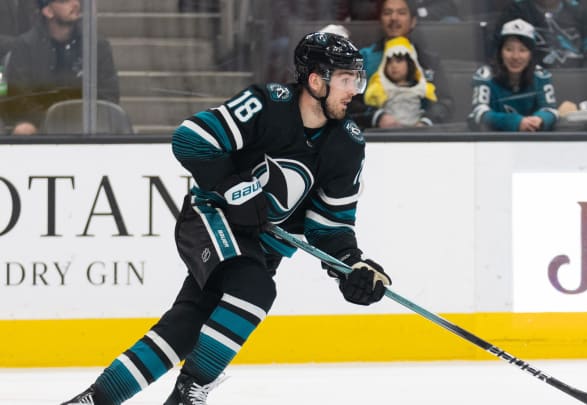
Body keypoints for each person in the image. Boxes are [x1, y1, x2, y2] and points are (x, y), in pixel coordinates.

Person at [61, 31, 391, 405]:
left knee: (186, 326)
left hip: (261, 246)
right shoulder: (266, 105)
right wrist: (235, 189)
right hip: (211, 218)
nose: (355, 90)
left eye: (357, 79)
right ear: (316, 80)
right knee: (255, 290)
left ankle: (93, 400)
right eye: (347, 80)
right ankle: (188, 392)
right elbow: (191, 137)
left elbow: (329, 225)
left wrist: (350, 265)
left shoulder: (347, 144)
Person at [1, 0, 119, 135]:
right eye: (64, 1)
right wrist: (51, 121)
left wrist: (78, 120)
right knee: (23, 130)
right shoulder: (24, 46)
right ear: (48, 11)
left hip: (86, 125)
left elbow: (109, 95)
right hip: (41, 124)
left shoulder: (97, 45)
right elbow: (18, 98)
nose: (75, 4)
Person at [348, 0, 453, 129]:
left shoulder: (429, 61)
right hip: (374, 136)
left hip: (421, 137)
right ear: (380, 19)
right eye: (387, 12)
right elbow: (349, 100)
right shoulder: (364, 58)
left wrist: (425, 123)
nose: (394, 18)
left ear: (413, 21)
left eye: (401, 13)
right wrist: (377, 117)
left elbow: (444, 103)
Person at [467, 18, 558, 132]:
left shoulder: (541, 76)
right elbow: (479, 112)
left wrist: (539, 119)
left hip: (534, 141)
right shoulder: (485, 76)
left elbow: (551, 109)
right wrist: (514, 122)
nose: (515, 57)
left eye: (523, 50)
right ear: (500, 52)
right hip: (493, 142)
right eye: (509, 49)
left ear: (531, 55)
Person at [492, 0, 587, 69]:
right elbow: (499, 53)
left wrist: (583, 77)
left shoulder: (580, 11)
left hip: (577, 82)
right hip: (530, 85)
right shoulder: (515, 10)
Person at [363, 35, 438, 126]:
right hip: (387, 133)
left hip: (417, 132)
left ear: (410, 63)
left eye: (399, 61)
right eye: (389, 61)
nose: (394, 66)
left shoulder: (421, 88)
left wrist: (424, 123)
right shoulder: (381, 89)